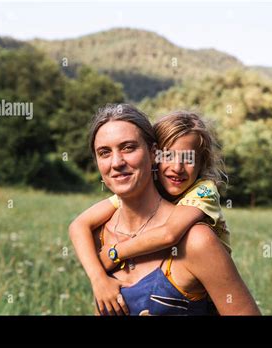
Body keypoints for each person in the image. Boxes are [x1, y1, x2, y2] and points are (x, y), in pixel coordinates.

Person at [69, 104, 260, 315]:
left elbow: (168, 234)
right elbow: (78, 225)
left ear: (152, 153)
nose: (116, 162)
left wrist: (115, 253)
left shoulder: (196, 238)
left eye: (128, 147)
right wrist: (98, 277)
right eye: (104, 152)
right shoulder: (99, 236)